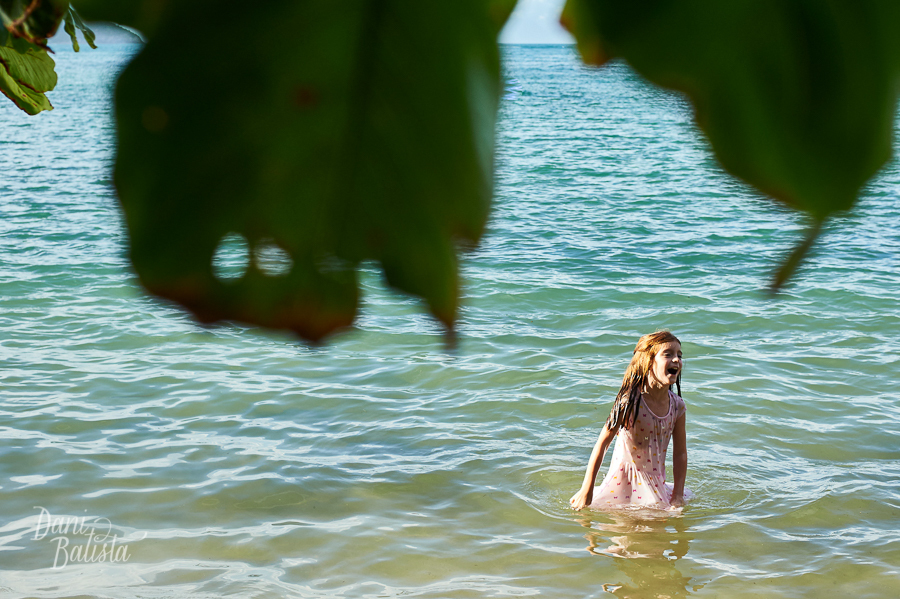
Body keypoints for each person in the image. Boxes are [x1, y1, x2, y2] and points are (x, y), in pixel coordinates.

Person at [570, 331, 691, 511]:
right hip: (622, 485)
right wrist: (586, 490)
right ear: (649, 361)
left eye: (679, 355)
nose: (676, 360)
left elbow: (680, 453)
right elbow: (602, 444)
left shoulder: (677, 406)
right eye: (668, 354)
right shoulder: (630, 402)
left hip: (656, 486)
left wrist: (678, 495)